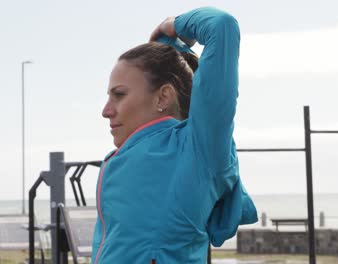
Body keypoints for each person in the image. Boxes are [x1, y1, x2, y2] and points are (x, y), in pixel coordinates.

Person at [92, 7, 258, 263]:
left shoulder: (197, 150)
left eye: (119, 95)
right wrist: (169, 49)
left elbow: (221, 26)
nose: (106, 110)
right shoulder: (116, 160)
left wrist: (174, 26)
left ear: (163, 97)